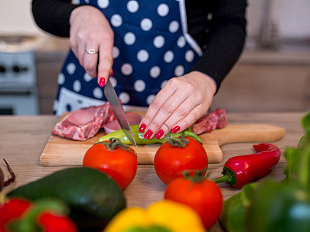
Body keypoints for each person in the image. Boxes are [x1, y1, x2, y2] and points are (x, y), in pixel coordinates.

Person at [31, 0, 247, 139]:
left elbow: (230, 20)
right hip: (85, 97)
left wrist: (205, 78)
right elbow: (42, 5)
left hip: (178, 103)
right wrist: (77, 14)